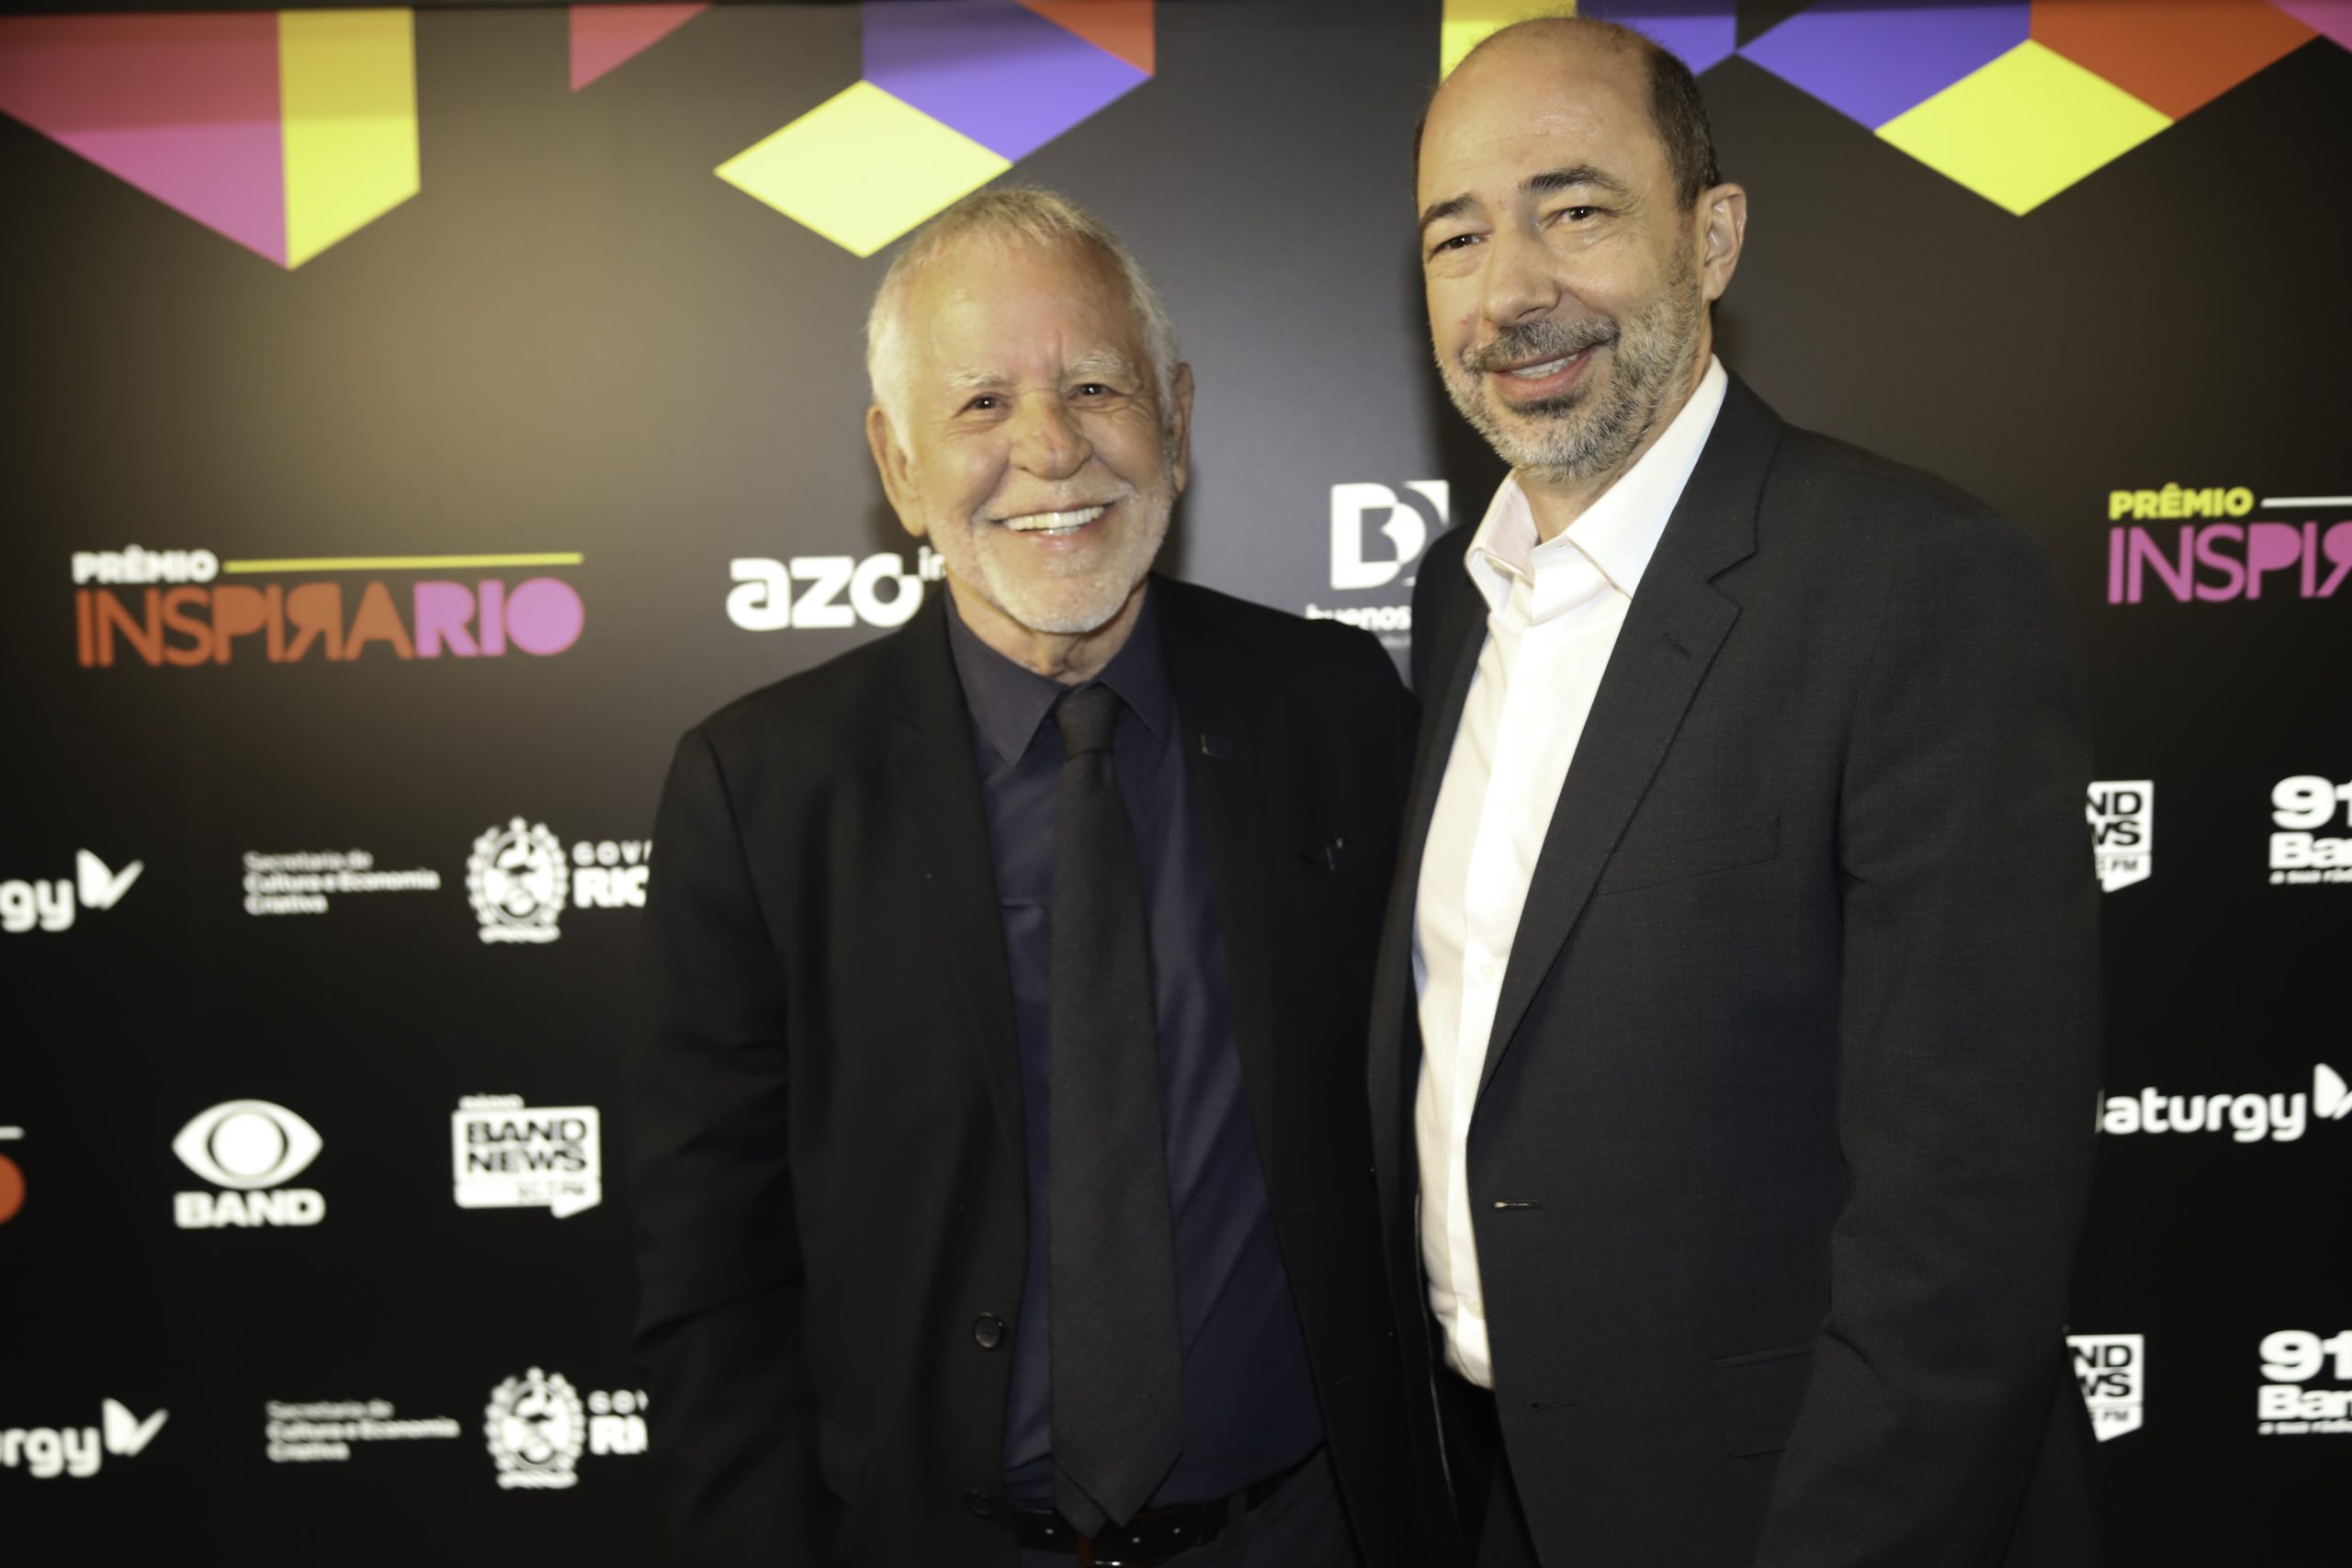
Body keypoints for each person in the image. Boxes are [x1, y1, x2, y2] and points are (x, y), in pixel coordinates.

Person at [1367, 18, 2121, 1567]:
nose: (1511, 291)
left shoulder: (1916, 584)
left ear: (1711, 239)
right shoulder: (1457, 597)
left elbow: (1964, 1238)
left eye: (1576, 210)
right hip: (1505, 1500)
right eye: (1458, 236)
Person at [628, 188, 1445, 1568]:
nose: (1052, 449)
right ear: (898, 468)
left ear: (1176, 419)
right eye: (982, 405)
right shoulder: (762, 792)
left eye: (1095, 387)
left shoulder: (1336, 708)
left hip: (1305, 1535)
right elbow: (710, 1272)